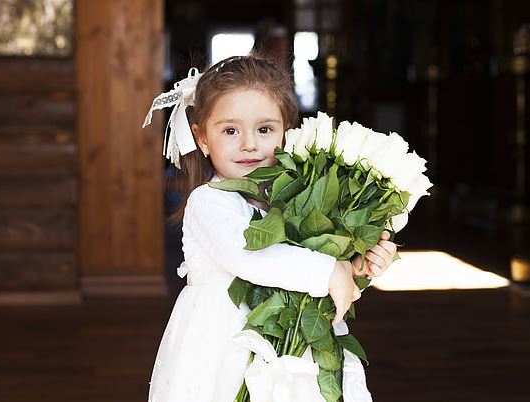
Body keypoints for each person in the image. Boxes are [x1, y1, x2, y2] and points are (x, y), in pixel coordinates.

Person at [142, 54, 397, 402]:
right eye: (230, 130)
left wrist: (354, 267)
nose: (249, 143)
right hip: (225, 346)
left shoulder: (295, 200)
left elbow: (308, 268)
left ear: (286, 132)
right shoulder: (209, 201)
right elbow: (249, 256)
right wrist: (327, 271)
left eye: (264, 130)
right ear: (202, 138)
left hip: (294, 348)